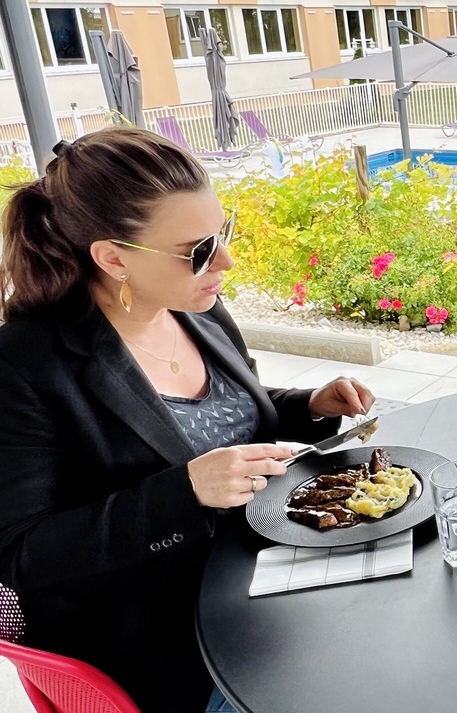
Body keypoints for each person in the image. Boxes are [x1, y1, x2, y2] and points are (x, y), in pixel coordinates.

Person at [0, 129, 375, 712]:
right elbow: (21, 556)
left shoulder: (196, 308)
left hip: (264, 576)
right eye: (198, 249)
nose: (225, 260)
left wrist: (309, 406)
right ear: (112, 257)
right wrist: (183, 493)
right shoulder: (26, 364)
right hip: (165, 633)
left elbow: (220, 418)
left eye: (222, 233)